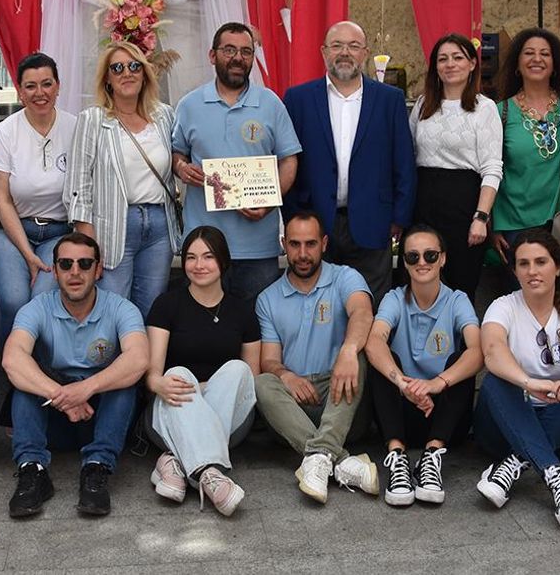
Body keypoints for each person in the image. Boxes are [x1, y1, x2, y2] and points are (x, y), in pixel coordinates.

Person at [472, 230, 560, 528]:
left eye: (540, 262)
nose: (532, 271)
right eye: (523, 264)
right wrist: (528, 382)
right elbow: (493, 350)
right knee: (496, 382)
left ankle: (516, 462)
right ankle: (557, 477)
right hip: (503, 430)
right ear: (515, 270)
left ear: (558, 267)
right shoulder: (504, 306)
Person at [2, 232, 147, 518]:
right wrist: (63, 396)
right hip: (55, 418)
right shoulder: (37, 308)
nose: (75, 272)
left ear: (98, 269)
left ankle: (96, 469)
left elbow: (139, 358)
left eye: (84, 264)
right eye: (66, 264)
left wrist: (86, 389)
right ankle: (33, 471)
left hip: (103, 419)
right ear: (54, 272)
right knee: (25, 384)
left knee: (124, 384)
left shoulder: (120, 308)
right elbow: (12, 359)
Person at [254, 210, 380, 504]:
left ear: (324, 243)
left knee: (358, 353)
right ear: (284, 244)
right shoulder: (268, 298)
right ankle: (337, 460)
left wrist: (348, 352)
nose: (302, 253)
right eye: (295, 244)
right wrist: (287, 376)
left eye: (310, 244)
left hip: (342, 400)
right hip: (293, 410)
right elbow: (270, 360)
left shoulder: (345, 277)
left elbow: (362, 312)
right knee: (262, 382)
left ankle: (319, 456)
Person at [284, 20, 417, 299]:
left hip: (373, 220)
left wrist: (399, 218)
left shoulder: (389, 99)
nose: (345, 52)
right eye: (337, 45)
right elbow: (288, 159)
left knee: (372, 304)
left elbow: (403, 161)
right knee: (320, 303)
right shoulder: (298, 99)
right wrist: (292, 216)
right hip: (315, 221)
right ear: (323, 52)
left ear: (365, 53)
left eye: (353, 46)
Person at [172, 23, 302, 300]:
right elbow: (176, 153)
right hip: (202, 247)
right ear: (212, 55)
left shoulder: (271, 103)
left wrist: (271, 200)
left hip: (258, 248)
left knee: (258, 328)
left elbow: (289, 160)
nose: (238, 57)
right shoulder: (189, 105)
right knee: (204, 330)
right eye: (229, 50)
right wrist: (181, 168)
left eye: (246, 51)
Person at [143, 226, 259, 517]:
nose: (199, 265)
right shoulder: (167, 305)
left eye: (208, 257)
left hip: (228, 413)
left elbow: (251, 379)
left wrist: (203, 392)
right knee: (179, 372)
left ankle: (176, 464)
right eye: (191, 257)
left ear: (223, 261)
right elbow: (153, 375)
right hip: (174, 407)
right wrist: (163, 384)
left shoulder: (243, 311)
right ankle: (209, 475)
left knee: (237, 369)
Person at [364, 226, 482, 507]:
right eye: (413, 257)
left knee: (461, 361)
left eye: (430, 255)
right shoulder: (394, 298)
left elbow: (478, 352)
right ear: (404, 262)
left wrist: (436, 383)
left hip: (445, 415)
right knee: (381, 359)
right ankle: (398, 458)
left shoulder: (457, 300)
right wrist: (403, 383)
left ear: (443, 259)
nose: (422, 263)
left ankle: (432, 455)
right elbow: (374, 341)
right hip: (402, 414)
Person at [68, 41, 179, 316]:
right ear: (107, 78)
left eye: (134, 66)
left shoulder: (164, 115)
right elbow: (78, 187)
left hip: (158, 225)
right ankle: (118, 361)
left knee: (152, 308)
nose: (126, 73)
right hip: (114, 226)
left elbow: (178, 161)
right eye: (117, 68)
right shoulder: (92, 119)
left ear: (145, 73)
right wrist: (89, 246)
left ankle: (147, 361)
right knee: (113, 309)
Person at [0, 52, 78, 340]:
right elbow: (2, 199)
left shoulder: (76, 127)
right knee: (14, 302)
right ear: (20, 90)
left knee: (41, 302)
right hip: (13, 233)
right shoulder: (5, 132)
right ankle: (11, 378)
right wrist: (27, 254)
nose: (40, 93)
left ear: (58, 86)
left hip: (59, 235)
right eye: (30, 86)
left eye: (47, 84)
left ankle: (39, 379)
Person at [407, 33, 502, 299]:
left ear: (472, 63)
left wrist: (481, 217)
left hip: (464, 207)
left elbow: (492, 168)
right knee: (423, 285)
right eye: (443, 59)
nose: (450, 64)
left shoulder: (484, 108)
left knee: (461, 287)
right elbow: (410, 153)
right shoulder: (423, 105)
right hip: (423, 204)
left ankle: (464, 341)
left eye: (458, 57)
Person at [492, 28, 560, 296]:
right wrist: (493, 225)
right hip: (514, 225)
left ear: (555, 64)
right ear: (517, 64)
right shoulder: (500, 112)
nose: (537, 59)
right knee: (521, 303)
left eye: (545, 54)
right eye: (528, 53)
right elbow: (491, 169)